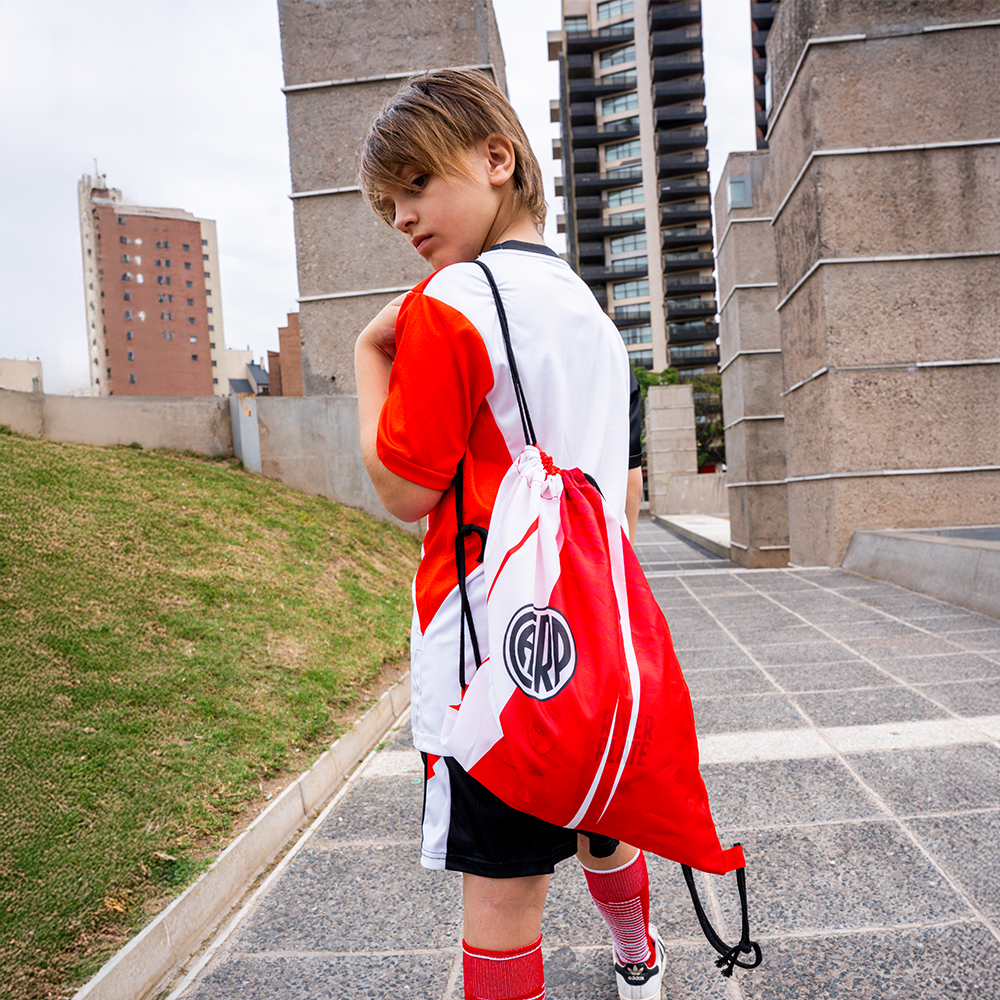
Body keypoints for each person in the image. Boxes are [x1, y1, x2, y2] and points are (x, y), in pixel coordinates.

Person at [354, 68, 660, 1000]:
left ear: (497, 158)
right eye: (389, 203)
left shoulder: (449, 303)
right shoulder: (596, 320)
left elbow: (402, 488)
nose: (404, 217)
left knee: (502, 896)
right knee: (605, 822)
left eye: (416, 183)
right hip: (597, 636)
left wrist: (369, 355)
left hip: (495, 653)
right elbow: (627, 496)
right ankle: (639, 961)